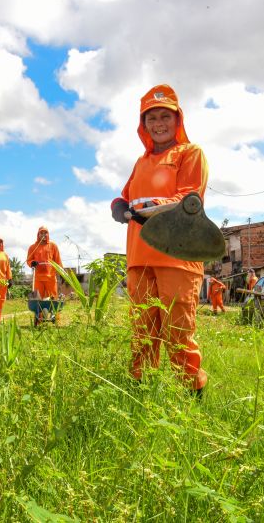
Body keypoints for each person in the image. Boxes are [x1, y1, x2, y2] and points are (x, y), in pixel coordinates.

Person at [110, 84, 208, 396]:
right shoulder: (141, 162)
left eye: (165, 116)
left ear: (177, 120)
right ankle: (141, 393)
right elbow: (126, 198)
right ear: (143, 125)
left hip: (176, 258)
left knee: (178, 332)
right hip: (139, 258)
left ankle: (192, 396)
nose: (158, 123)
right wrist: (119, 205)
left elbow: (188, 197)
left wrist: (146, 212)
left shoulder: (190, 154)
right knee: (141, 332)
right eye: (151, 118)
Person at [26, 226, 63, 299]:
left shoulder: (53, 246)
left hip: (51, 278)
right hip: (38, 278)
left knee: (53, 298)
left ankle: (53, 310)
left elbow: (58, 261)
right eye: (41, 233)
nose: (43, 235)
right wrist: (32, 263)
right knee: (38, 299)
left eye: (45, 233)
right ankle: (39, 311)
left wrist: (62, 274)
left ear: (48, 234)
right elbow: (29, 260)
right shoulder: (33, 247)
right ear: (38, 235)